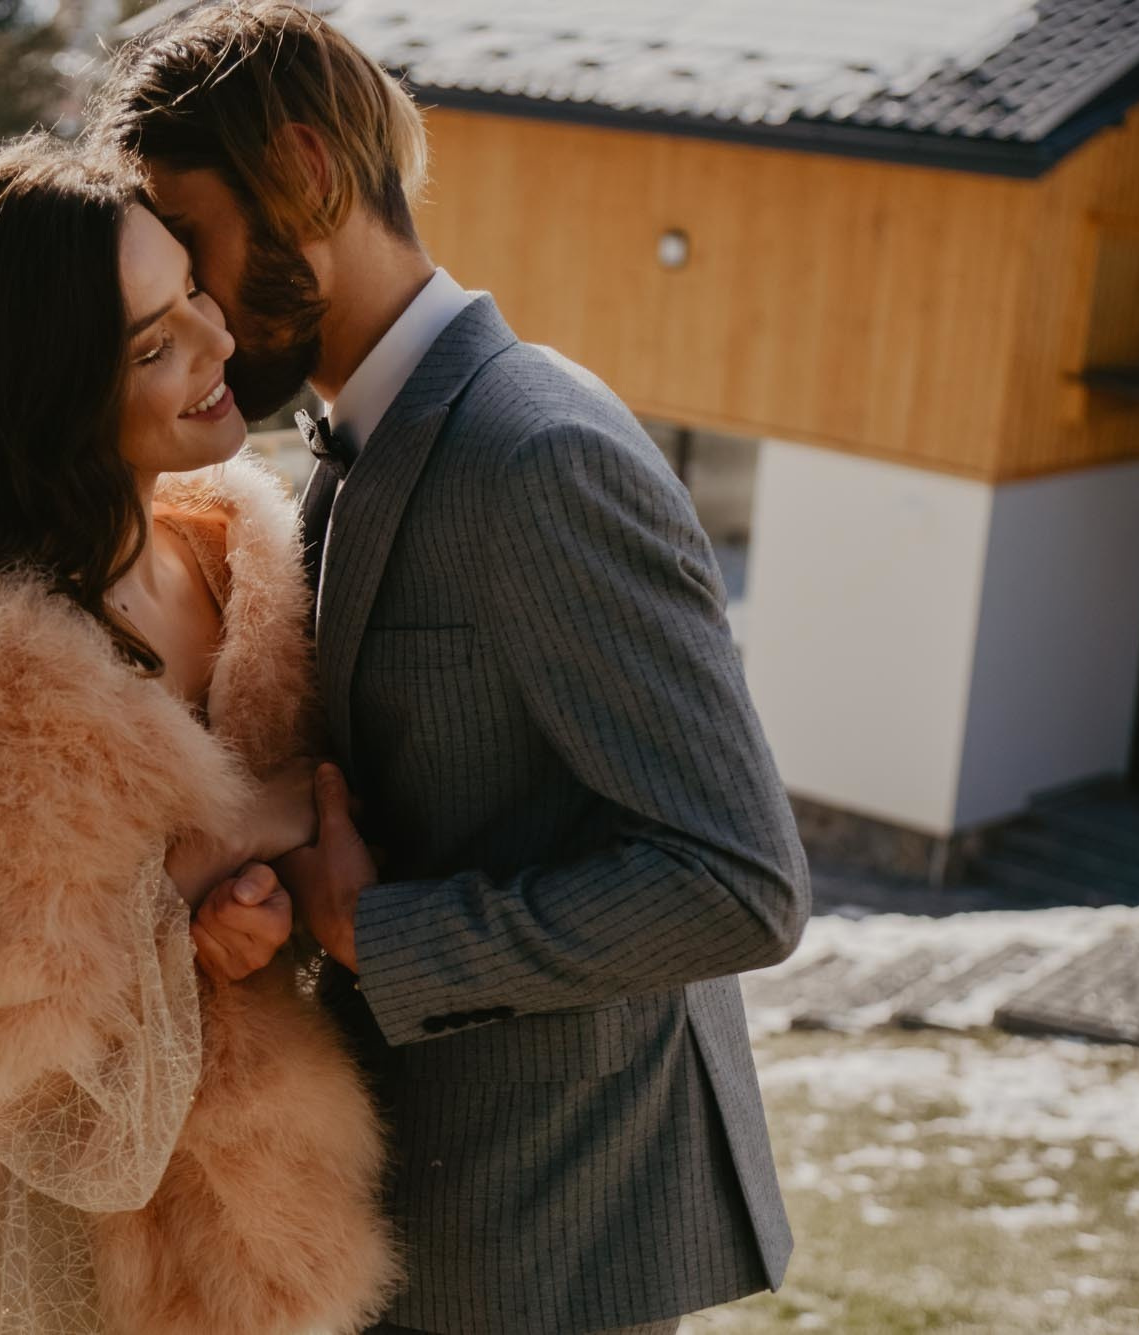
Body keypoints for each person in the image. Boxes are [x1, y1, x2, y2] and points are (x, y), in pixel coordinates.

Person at [90, 5, 812, 1333]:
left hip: (550, 1243)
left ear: (306, 176)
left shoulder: (539, 457)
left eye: (193, 245)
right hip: (421, 1221)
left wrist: (387, 932)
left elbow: (741, 882)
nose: (188, 303)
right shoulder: (354, 437)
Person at [0, 135, 398, 1335]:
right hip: (49, 1272)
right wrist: (235, 843)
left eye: (191, 296)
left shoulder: (240, 565)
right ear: (52, 395)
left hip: (246, 1226)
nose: (220, 346)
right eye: (153, 344)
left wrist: (227, 909)